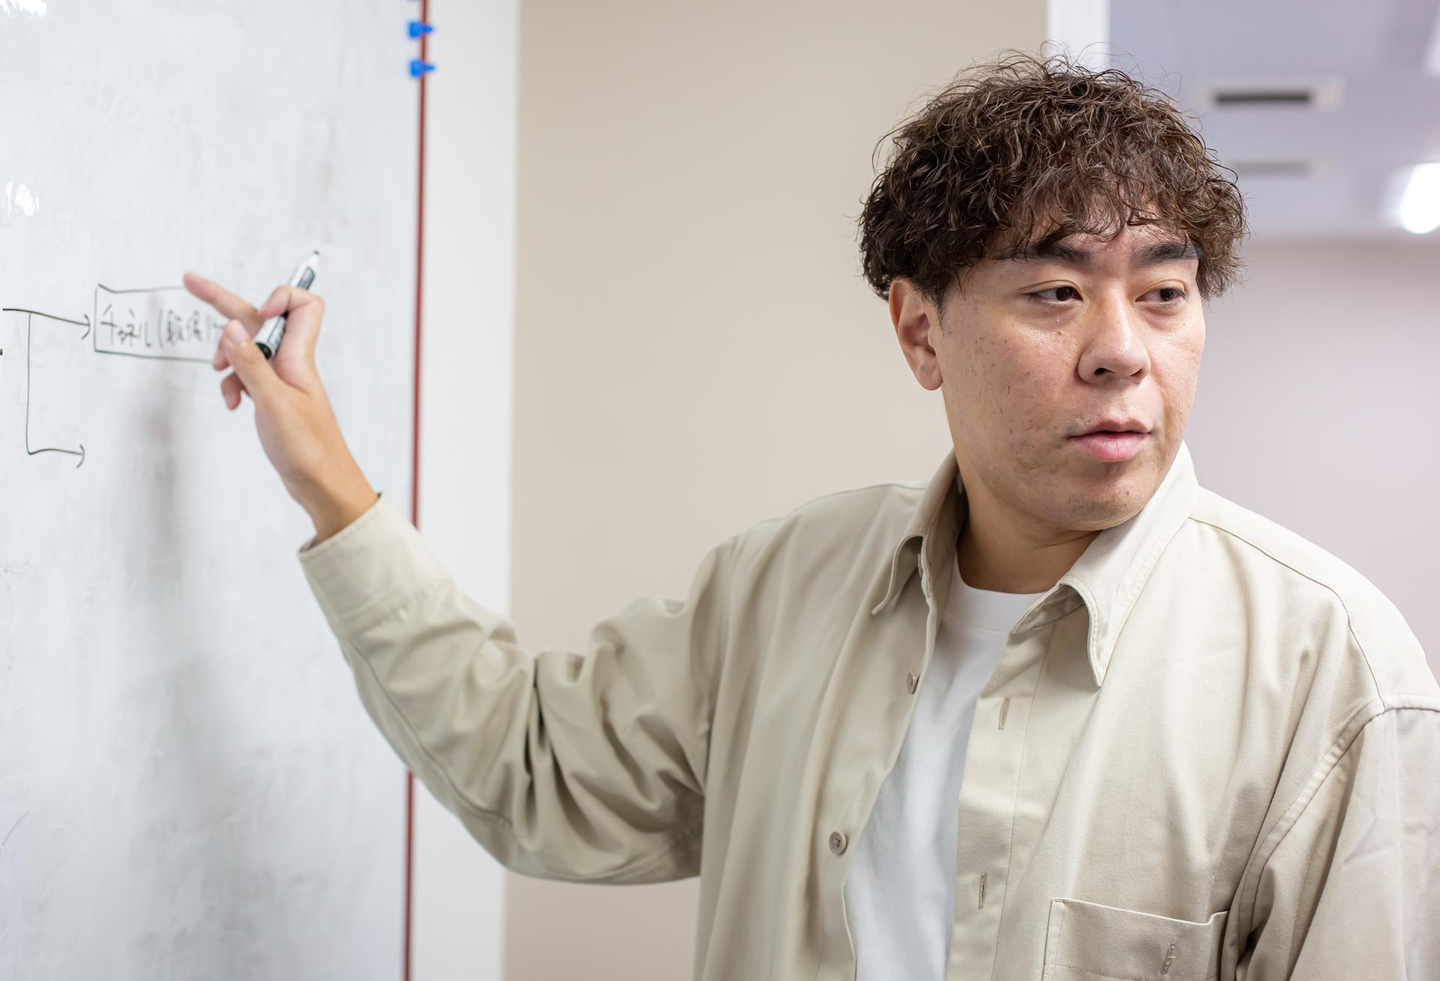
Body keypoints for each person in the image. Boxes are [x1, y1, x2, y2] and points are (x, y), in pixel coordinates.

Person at [184, 51, 1438, 981]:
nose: (1124, 351)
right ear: (919, 330)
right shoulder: (786, 586)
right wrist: (329, 480)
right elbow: (533, 772)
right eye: (1056, 293)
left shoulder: (1330, 671)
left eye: (1164, 294)